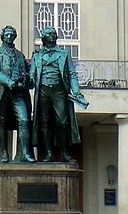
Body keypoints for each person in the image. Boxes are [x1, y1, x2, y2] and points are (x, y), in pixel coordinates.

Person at [29, 26, 88, 162]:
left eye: (54, 34)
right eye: (49, 34)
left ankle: (64, 152)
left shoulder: (64, 54)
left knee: (62, 121)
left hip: (58, 90)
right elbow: (32, 75)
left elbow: (72, 74)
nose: (53, 35)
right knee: (45, 123)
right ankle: (49, 153)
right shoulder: (37, 55)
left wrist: (77, 92)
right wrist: (28, 80)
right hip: (43, 90)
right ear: (43, 37)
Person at [0, 26, 34, 162]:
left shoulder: (20, 55)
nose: (9, 37)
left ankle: (25, 153)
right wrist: (9, 82)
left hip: (18, 93)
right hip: (2, 92)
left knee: (24, 120)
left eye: (12, 35)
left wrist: (29, 77)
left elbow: (27, 72)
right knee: (2, 122)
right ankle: (4, 153)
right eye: (7, 34)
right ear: (2, 36)